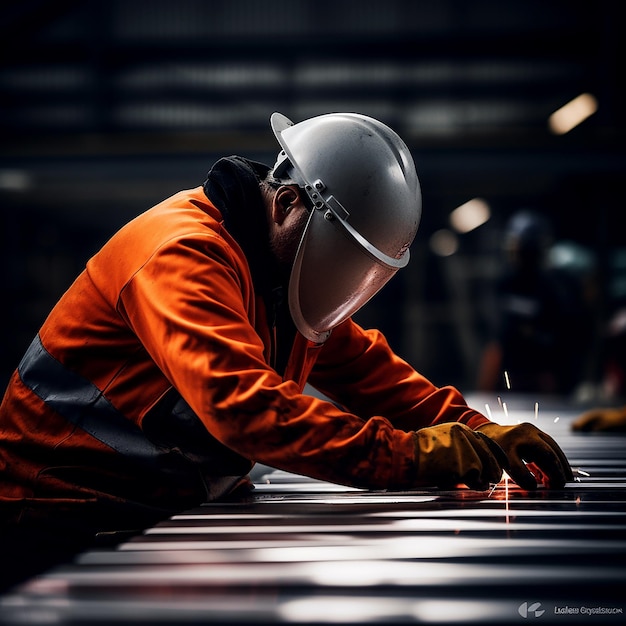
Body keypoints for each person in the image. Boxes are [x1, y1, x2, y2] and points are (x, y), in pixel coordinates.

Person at [0, 112, 572, 591]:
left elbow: (368, 368)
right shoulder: (182, 255)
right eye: (342, 258)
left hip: (155, 506)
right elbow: (246, 410)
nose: (343, 283)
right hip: (61, 516)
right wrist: (415, 457)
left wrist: (475, 429)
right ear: (287, 204)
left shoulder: (282, 273)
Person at [477, 209, 588, 395]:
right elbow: (496, 336)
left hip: (545, 375)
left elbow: (566, 336)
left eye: (520, 248)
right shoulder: (505, 284)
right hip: (508, 374)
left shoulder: (553, 288)